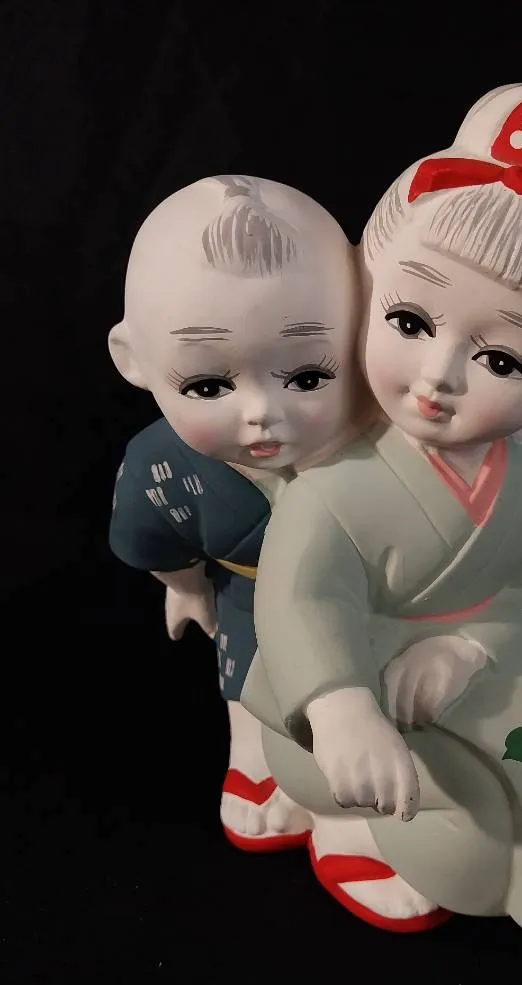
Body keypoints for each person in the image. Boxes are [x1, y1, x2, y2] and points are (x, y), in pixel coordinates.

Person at [243, 83, 522, 933]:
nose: (437, 376)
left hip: (461, 690)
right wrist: (340, 704)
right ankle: (342, 820)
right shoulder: (333, 481)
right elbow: (300, 598)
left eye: (501, 360)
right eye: (411, 320)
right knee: (436, 812)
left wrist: (469, 647)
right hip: (340, 702)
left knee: (516, 803)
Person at [108, 174, 365, 851]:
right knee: (253, 696)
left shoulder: (381, 436)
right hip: (251, 599)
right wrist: (186, 587)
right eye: (207, 385)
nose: (261, 413)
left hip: (361, 601)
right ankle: (255, 762)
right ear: (133, 360)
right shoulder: (160, 464)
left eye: (307, 376)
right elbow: (152, 538)